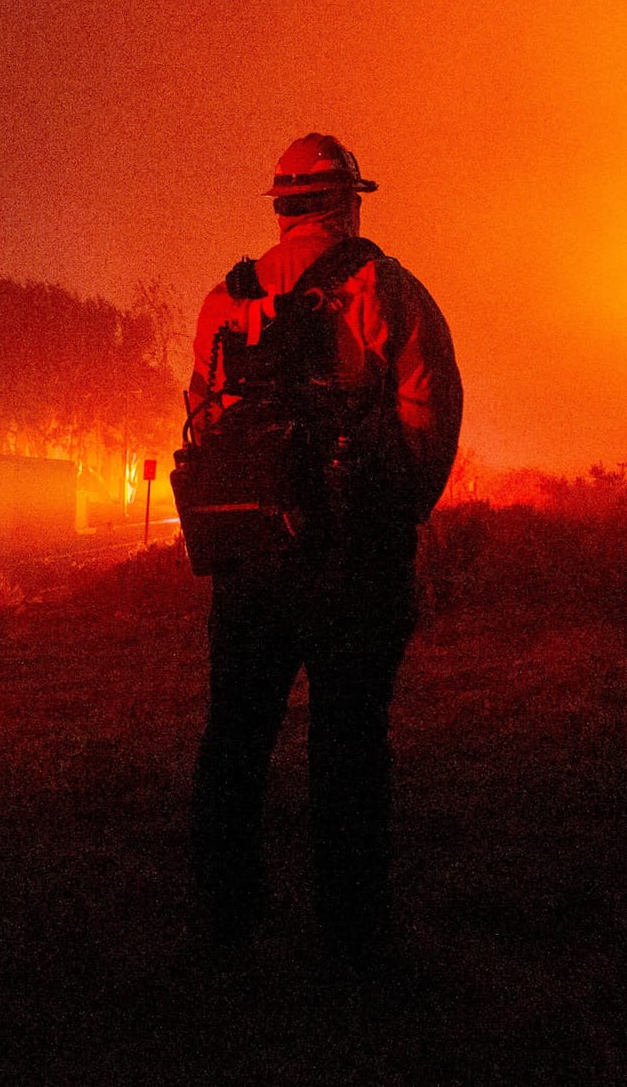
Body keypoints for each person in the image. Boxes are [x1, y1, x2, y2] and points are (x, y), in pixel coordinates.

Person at [185, 133, 463, 969]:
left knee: (235, 735)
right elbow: (430, 419)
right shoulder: (389, 291)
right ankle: (351, 933)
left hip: (247, 560)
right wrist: (393, 514)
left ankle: (225, 918)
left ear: (279, 207)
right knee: (348, 741)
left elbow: (203, 416)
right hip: (350, 562)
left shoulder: (223, 301)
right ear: (347, 202)